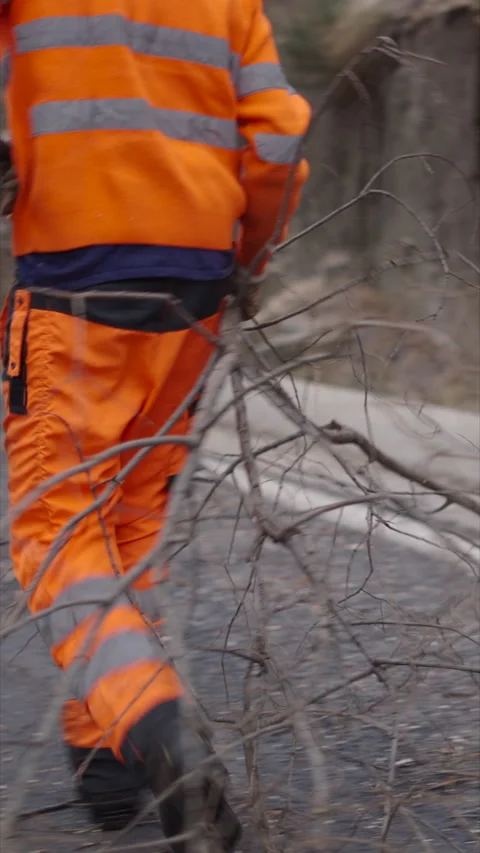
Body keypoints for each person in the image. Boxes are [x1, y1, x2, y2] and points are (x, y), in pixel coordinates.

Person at [0, 1, 310, 848]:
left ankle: (157, 728)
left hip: (76, 281)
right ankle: (112, 768)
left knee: (60, 530)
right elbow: (280, 136)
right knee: (131, 522)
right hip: (196, 288)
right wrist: (250, 260)